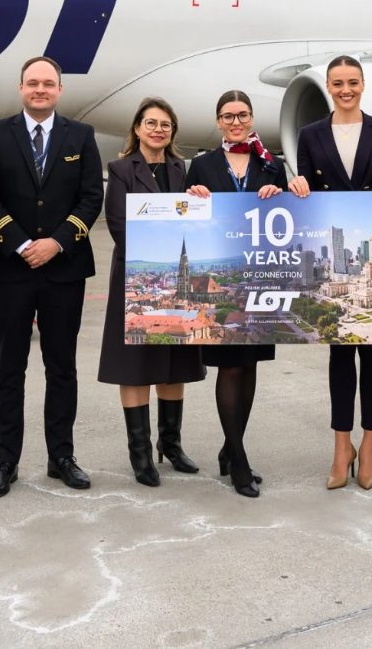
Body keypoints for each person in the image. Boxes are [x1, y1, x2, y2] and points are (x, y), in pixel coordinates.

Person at [0, 55, 104, 498]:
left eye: (48, 83)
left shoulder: (81, 136)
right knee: (8, 369)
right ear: (21, 88)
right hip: (12, 268)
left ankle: (61, 456)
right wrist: (20, 242)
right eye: (33, 83)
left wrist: (58, 242)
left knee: (61, 367)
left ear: (60, 90)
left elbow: (91, 198)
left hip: (64, 270)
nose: (40, 90)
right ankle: (5, 460)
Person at [286, 56, 372, 490]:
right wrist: (299, 186)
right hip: (341, 261)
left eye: (352, 82)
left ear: (363, 84)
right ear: (329, 87)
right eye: (337, 83)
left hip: (370, 246)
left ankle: (369, 443)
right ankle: (342, 445)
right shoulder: (310, 134)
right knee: (339, 359)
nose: (345, 89)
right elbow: (309, 194)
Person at [96, 97, 205, 485]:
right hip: (138, 279)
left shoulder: (182, 169)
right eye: (151, 123)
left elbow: (192, 220)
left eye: (166, 125)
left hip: (173, 281)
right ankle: (140, 454)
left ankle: (171, 445)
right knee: (136, 367)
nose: (158, 130)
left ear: (172, 131)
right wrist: (156, 252)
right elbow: (118, 224)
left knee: (172, 365)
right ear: (137, 128)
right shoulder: (121, 168)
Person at [186, 89, 288, 498]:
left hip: (261, 278)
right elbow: (186, 216)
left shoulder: (270, 164)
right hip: (224, 274)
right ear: (218, 121)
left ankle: (230, 448)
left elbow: (288, 216)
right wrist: (192, 197)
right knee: (230, 368)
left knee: (250, 368)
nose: (235, 122)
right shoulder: (202, 165)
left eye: (242, 115)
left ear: (251, 118)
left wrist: (278, 193)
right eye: (227, 116)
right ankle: (239, 460)